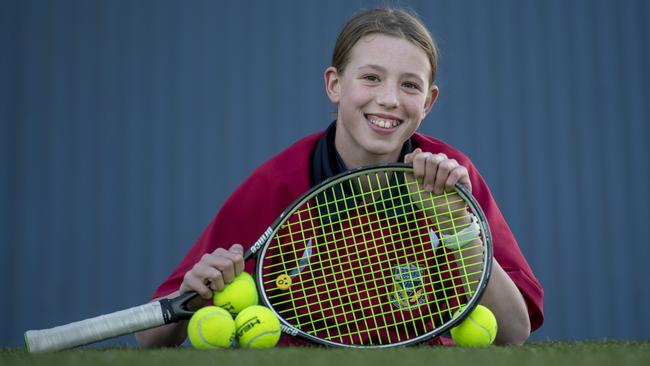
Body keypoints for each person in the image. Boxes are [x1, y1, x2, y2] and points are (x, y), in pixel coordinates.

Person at [136, 7, 543, 347]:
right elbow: (151, 339)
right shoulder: (279, 182)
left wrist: (457, 225)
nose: (388, 99)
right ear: (335, 84)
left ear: (429, 101)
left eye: (409, 85)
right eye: (370, 77)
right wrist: (193, 287)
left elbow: (513, 331)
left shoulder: (452, 174)